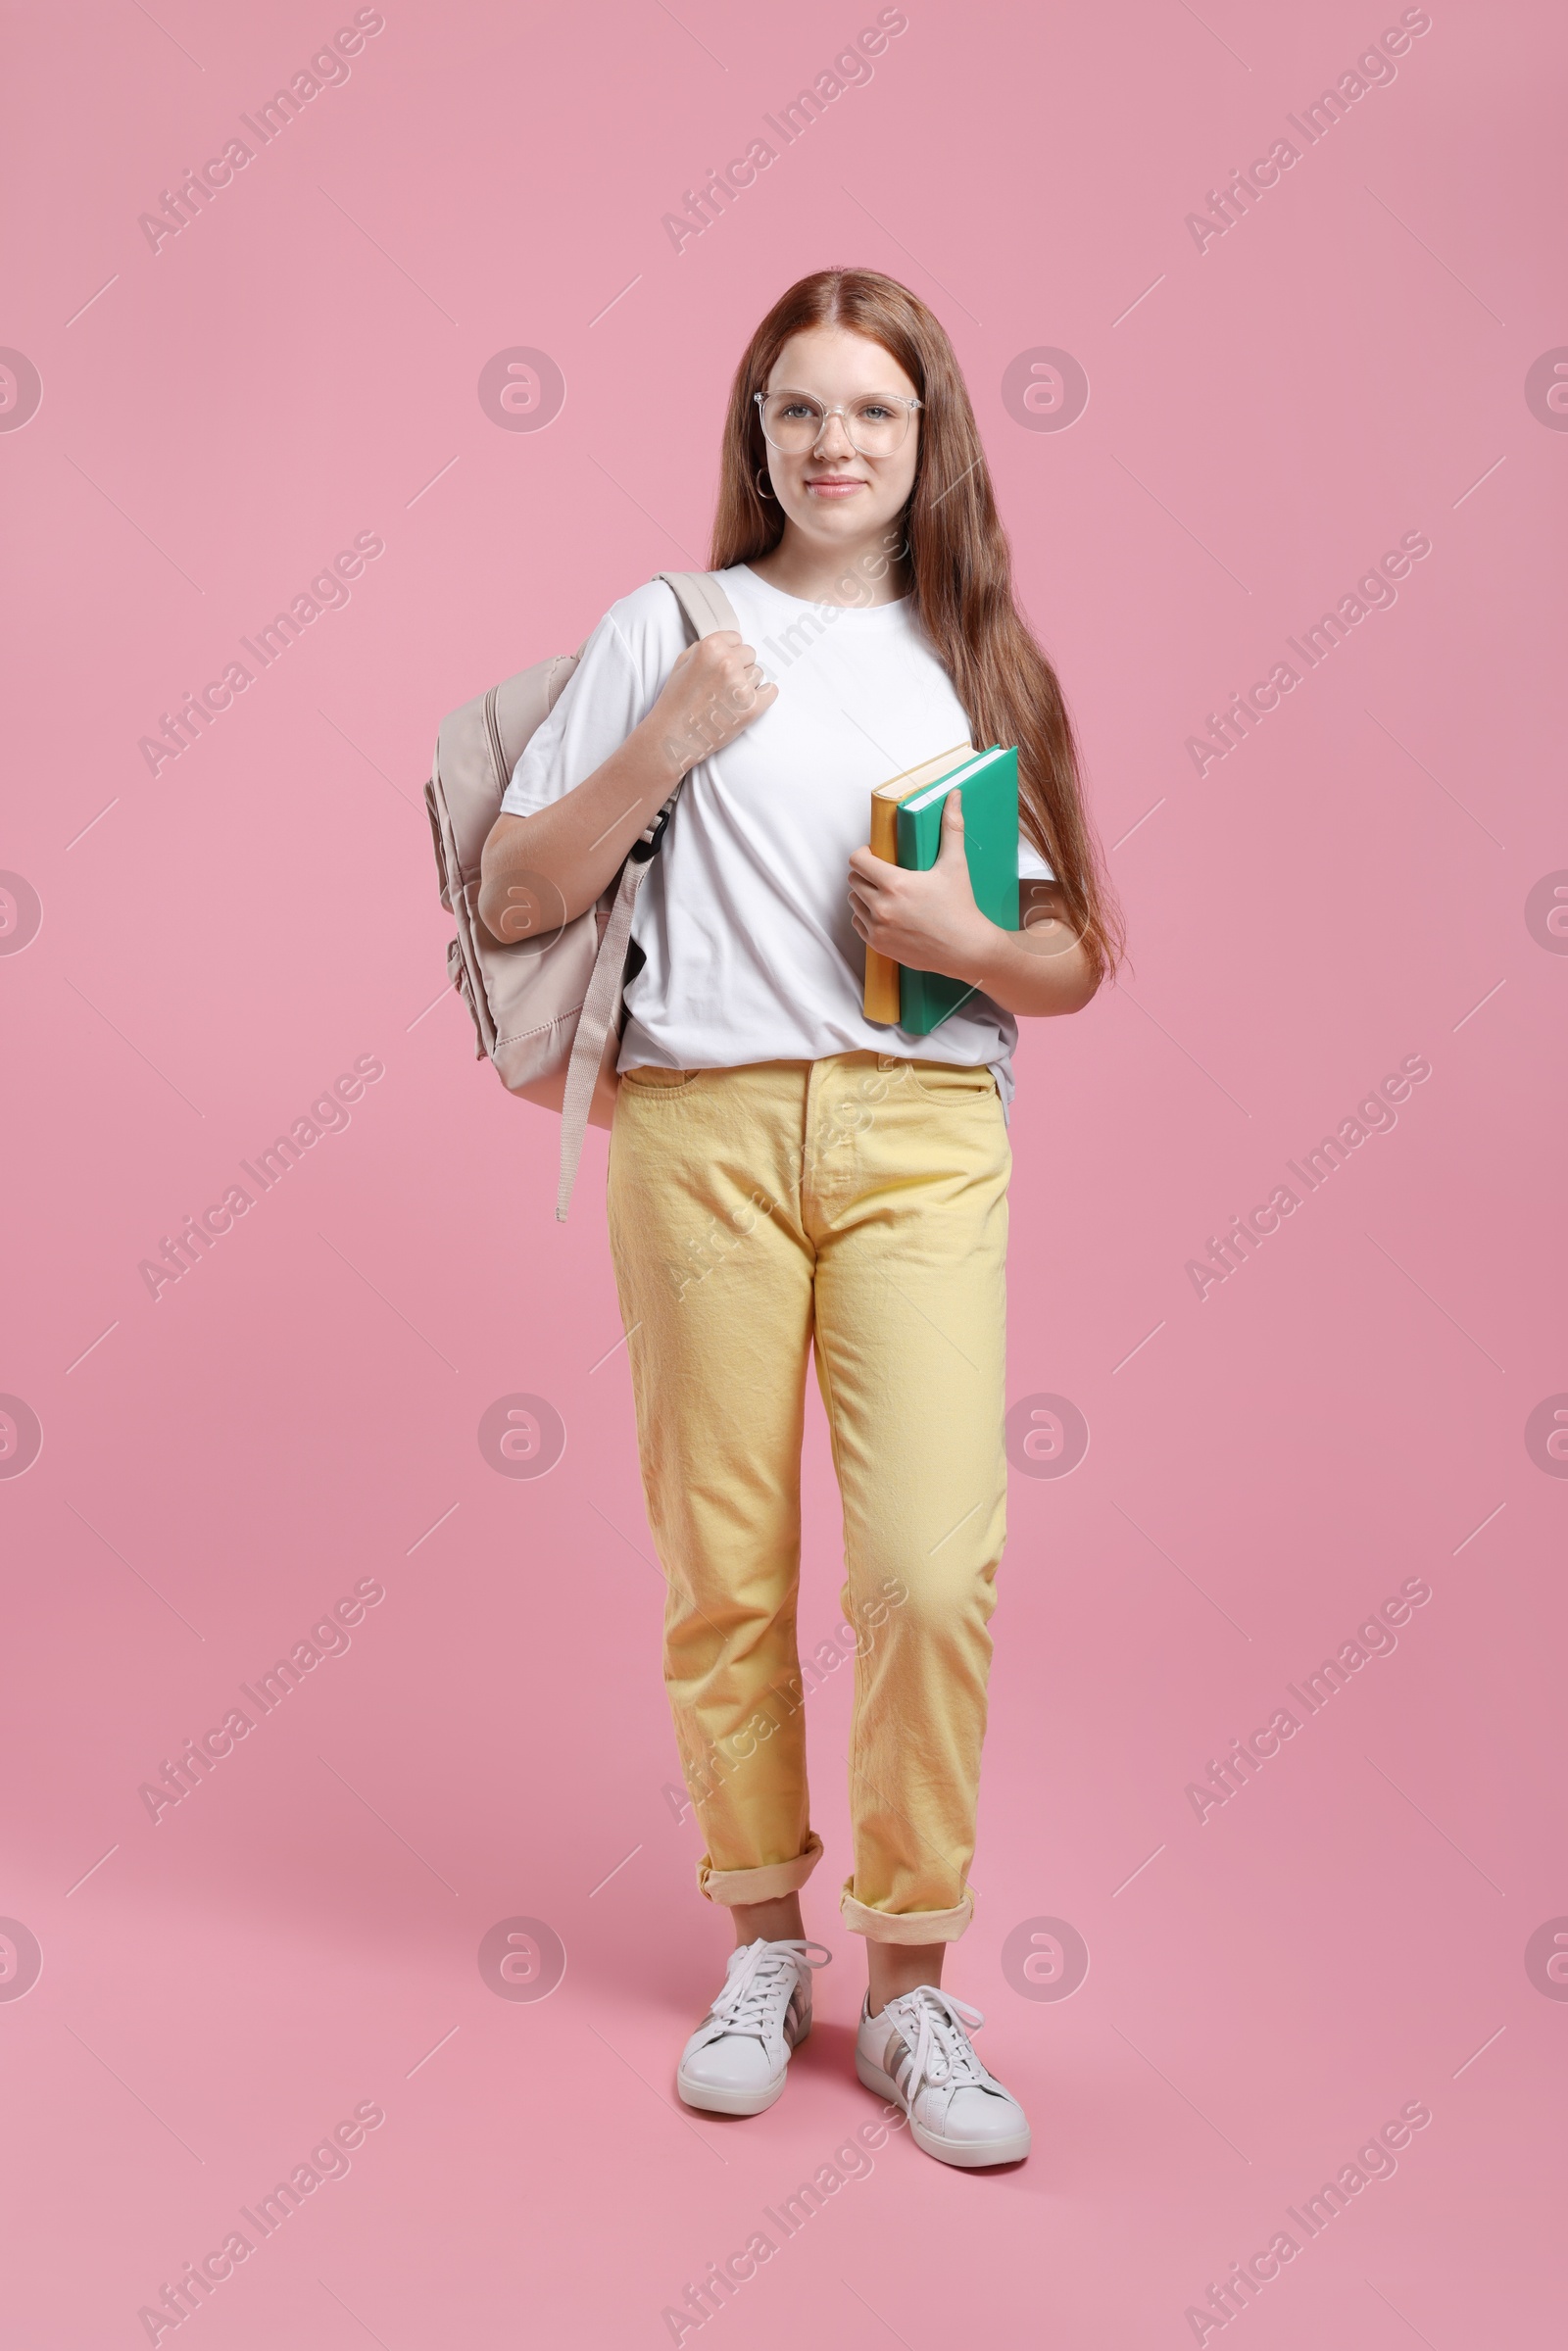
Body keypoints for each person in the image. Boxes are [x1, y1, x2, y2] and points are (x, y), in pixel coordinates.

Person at [478, 268, 1119, 2169]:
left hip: (924, 1127)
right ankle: (762, 1944)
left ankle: (910, 1984)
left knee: (928, 1567)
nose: (831, 446)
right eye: (796, 412)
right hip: (700, 1127)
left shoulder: (978, 655)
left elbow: (1074, 951)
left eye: (870, 413)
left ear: (928, 443)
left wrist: (969, 944)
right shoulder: (662, 629)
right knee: (725, 1570)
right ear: (752, 438)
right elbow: (513, 891)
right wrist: (665, 735)